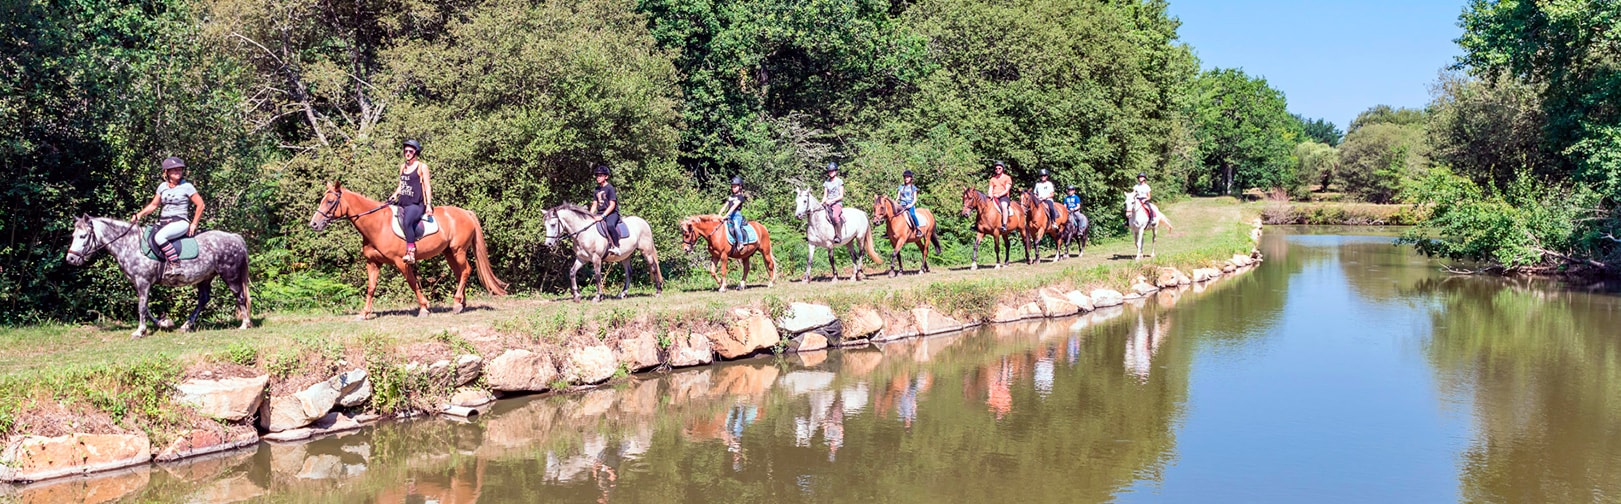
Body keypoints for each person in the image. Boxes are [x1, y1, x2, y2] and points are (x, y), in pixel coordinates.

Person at [131, 156, 204, 262]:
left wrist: (194, 224)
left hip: (180, 222)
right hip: (164, 223)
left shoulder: (187, 186)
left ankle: (175, 264)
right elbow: (153, 205)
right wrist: (139, 215)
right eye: (175, 169)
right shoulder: (162, 187)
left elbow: (201, 205)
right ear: (167, 172)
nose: (178, 171)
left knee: (160, 237)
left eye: (180, 169)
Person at [389, 139, 433, 264]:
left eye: (410, 151)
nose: (407, 153)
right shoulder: (403, 167)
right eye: (405, 151)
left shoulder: (422, 167)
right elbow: (401, 185)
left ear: (415, 153)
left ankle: (411, 251)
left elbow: (427, 186)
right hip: (403, 202)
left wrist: (428, 205)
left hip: (416, 204)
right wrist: (394, 195)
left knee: (408, 221)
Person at [590, 165, 622, 256]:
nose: (598, 177)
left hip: (611, 213)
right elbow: (594, 204)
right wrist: (590, 215)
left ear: (606, 177)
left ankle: (616, 246)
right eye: (597, 175)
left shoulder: (610, 188)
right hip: (599, 213)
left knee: (610, 225)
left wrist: (603, 216)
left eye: (600, 175)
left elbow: (612, 205)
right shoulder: (596, 189)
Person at [719, 176, 748, 247]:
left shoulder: (741, 197)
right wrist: (719, 214)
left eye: (735, 186)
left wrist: (725, 216)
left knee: (736, 227)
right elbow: (725, 206)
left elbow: (733, 207)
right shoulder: (731, 197)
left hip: (736, 215)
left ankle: (740, 243)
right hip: (729, 215)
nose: (733, 188)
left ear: (740, 187)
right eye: (732, 187)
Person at [987, 161, 1013, 231]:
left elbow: (1007, 190)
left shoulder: (1007, 178)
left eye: (999, 168)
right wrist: (990, 195)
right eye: (996, 169)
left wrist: (998, 195)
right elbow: (990, 189)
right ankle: (978, 223)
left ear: (1002, 169)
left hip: (1003, 196)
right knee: (983, 206)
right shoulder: (993, 179)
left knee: (1004, 206)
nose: (997, 170)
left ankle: (1004, 224)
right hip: (994, 196)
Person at [822, 162, 845, 238]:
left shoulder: (839, 181)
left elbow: (841, 196)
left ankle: (839, 235)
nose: (831, 172)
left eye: (832, 171)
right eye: (829, 171)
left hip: (837, 203)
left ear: (835, 171)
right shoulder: (826, 182)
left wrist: (832, 201)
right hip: (828, 203)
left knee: (835, 216)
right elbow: (825, 196)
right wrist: (821, 202)